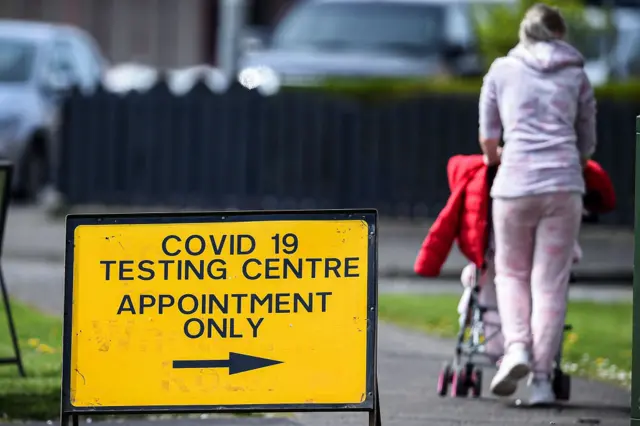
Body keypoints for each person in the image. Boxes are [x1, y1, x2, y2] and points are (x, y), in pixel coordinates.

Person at [477, 3, 597, 405]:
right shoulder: (577, 75)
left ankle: (516, 350)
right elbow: (587, 140)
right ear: (560, 35)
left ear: (524, 34)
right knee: (550, 283)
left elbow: (489, 139)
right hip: (563, 186)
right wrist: (572, 164)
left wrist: (498, 158)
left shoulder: (501, 71)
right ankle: (543, 381)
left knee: (510, 273)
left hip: (514, 186)